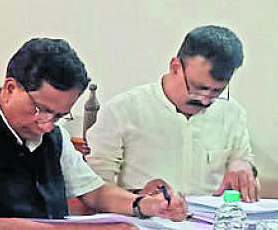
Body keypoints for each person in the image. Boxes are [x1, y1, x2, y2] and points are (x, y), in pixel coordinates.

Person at [0, 38, 188, 230]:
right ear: (10, 88)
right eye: (41, 110)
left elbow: (94, 192)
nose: (47, 124)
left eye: (59, 115)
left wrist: (143, 204)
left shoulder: (53, 134)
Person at [86, 25, 259, 201]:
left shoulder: (232, 113)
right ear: (175, 67)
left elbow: (243, 157)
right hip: (143, 221)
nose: (205, 100)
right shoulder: (124, 109)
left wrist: (243, 165)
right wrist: (137, 198)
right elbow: (95, 187)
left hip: (209, 222)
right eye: (199, 88)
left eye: (217, 91)